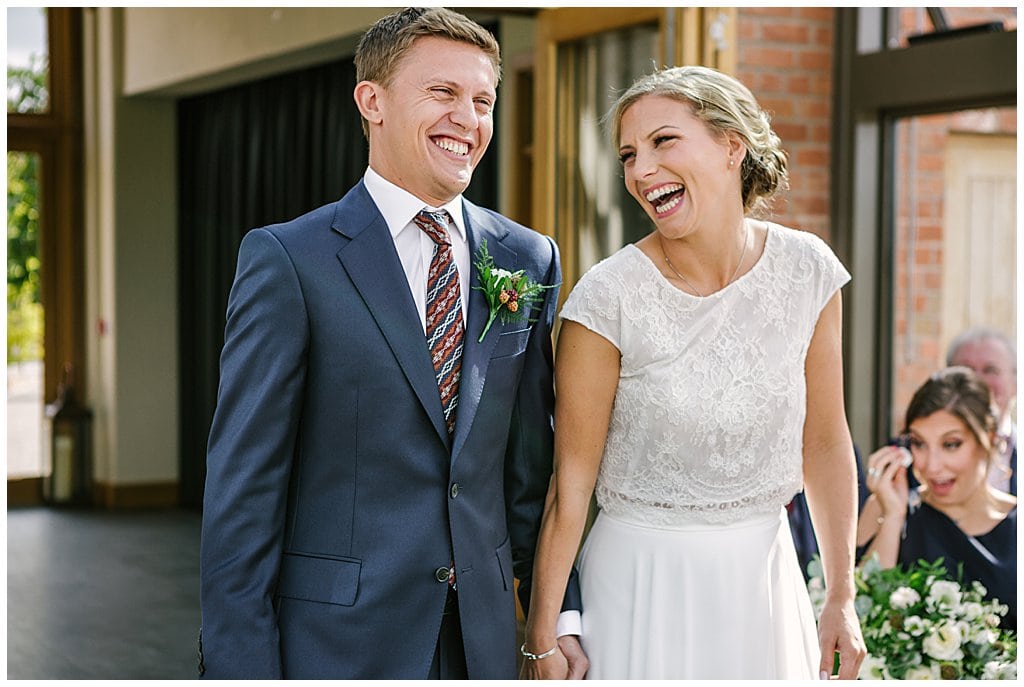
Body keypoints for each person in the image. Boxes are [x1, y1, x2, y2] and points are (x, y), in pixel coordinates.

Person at [199, 8, 583, 679]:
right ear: (371, 101)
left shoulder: (526, 259)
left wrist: (559, 617)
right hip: (339, 643)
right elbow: (244, 495)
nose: (469, 117)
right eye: (443, 93)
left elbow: (529, 474)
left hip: (482, 644)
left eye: (483, 100)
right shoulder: (290, 260)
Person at [519, 65, 865, 680]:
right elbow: (568, 485)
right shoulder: (608, 299)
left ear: (733, 146)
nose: (640, 170)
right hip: (640, 583)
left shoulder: (807, 270)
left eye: (663, 141)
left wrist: (841, 594)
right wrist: (543, 635)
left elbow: (826, 440)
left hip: (762, 579)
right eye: (628, 154)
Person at [857, 367, 1017, 629]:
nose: (931, 466)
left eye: (951, 444)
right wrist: (893, 518)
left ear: (986, 439)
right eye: (919, 443)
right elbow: (859, 619)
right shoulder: (883, 510)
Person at [947, 327, 1016, 495]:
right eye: (965, 370)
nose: (976, 381)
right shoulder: (909, 457)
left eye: (990, 370)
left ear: (1016, 383)